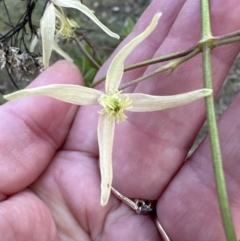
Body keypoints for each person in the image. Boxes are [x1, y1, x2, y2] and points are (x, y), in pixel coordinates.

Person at [0, 0, 240, 240]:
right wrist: (28, 92)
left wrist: (194, 93)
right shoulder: (98, 104)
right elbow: (59, 95)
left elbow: (154, 89)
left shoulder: (111, 101)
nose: (112, 104)